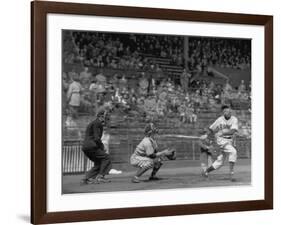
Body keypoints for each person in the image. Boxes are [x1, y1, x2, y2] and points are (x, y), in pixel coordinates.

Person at [202, 105, 238, 181]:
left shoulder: (234, 119)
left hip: (229, 141)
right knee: (233, 152)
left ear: (230, 111)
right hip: (221, 140)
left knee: (220, 161)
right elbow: (211, 129)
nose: (227, 112)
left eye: (228, 110)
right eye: (225, 111)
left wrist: (223, 132)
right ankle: (231, 173)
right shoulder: (219, 119)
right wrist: (207, 135)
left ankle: (206, 172)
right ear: (223, 113)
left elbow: (233, 131)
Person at [81, 110, 112, 184]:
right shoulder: (98, 123)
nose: (106, 118)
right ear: (101, 117)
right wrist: (102, 147)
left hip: (86, 146)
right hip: (91, 146)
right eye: (105, 116)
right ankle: (101, 177)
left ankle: (86, 178)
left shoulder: (94, 122)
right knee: (106, 158)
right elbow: (96, 138)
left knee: (99, 162)